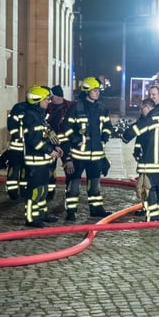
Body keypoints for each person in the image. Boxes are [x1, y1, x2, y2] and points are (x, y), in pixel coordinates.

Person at [62, 76, 113, 221]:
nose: (98, 92)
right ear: (87, 91)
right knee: (74, 186)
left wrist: (104, 138)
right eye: (95, 90)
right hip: (78, 156)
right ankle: (71, 212)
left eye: (98, 90)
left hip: (96, 156)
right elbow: (66, 128)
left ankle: (96, 209)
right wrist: (76, 139)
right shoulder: (76, 108)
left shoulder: (102, 109)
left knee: (95, 186)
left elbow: (108, 127)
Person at [123, 97, 159, 221]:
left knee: (148, 191)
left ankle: (153, 216)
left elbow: (128, 135)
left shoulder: (148, 120)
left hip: (150, 166)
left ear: (147, 107)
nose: (141, 112)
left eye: (142, 109)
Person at [21, 86, 63, 227]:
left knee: (43, 189)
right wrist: (49, 151)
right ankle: (31, 218)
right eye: (46, 99)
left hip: (44, 161)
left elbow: (46, 135)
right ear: (37, 100)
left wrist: (55, 146)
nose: (48, 102)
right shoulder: (30, 117)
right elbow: (34, 141)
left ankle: (41, 214)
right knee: (35, 191)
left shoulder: (40, 116)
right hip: (35, 161)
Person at [45, 85, 73, 201]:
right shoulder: (48, 107)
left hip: (66, 144)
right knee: (50, 169)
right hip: (51, 143)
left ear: (59, 96)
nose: (51, 99)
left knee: (70, 168)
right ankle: (49, 193)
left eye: (53, 97)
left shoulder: (70, 106)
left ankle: (69, 193)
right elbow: (43, 123)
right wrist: (48, 135)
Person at [1, 94, 31, 200]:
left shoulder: (38, 109)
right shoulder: (19, 108)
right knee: (14, 171)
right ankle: (12, 192)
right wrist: (18, 136)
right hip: (16, 148)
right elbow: (11, 124)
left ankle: (24, 192)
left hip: (29, 148)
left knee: (26, 171)